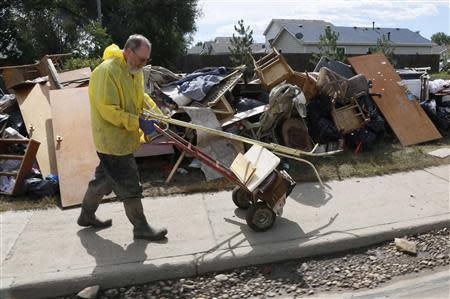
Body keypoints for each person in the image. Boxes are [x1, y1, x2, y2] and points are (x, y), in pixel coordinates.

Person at [77, 34, 167, 241]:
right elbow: (108, 109)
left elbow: (141, 97)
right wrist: (137, 122)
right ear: (128, 52)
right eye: (142, 59)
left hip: (123, 138)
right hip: (111, 140)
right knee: (130, 183)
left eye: (147, 60)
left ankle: (86, 215)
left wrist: (158, 115)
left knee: (104, 179)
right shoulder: (106, 72)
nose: (145, 64)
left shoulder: (135, 70)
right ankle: (141, 227)